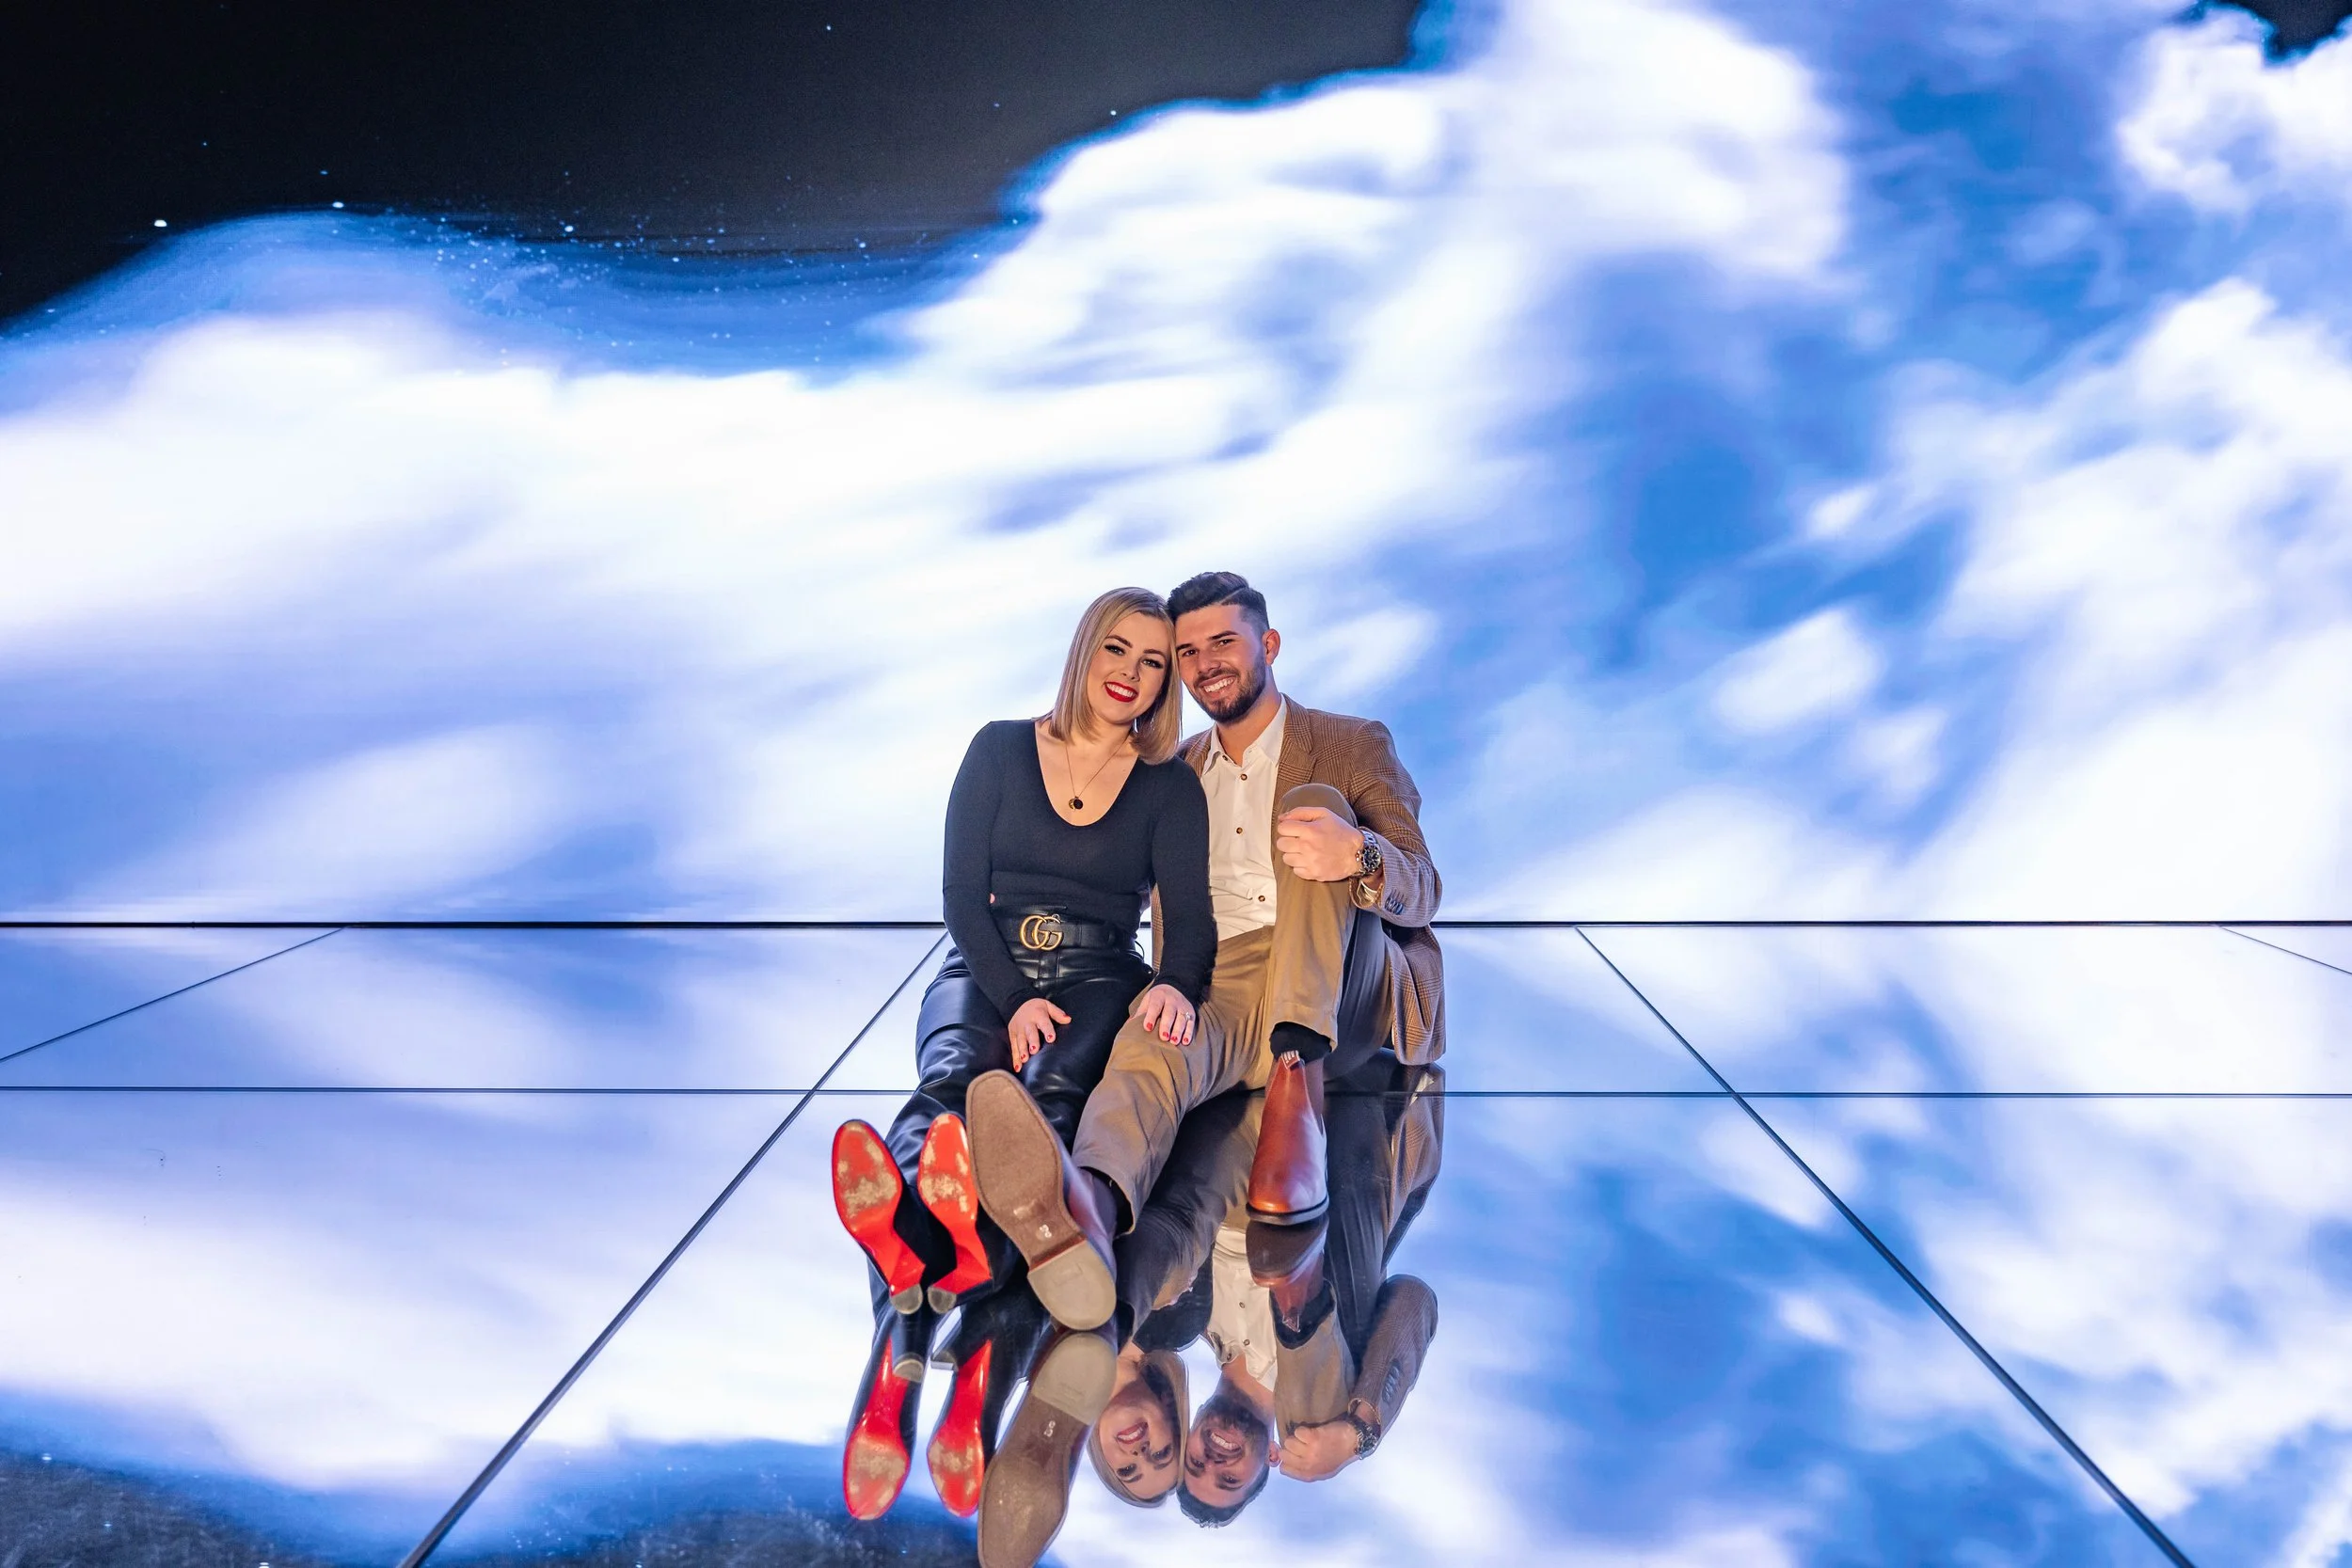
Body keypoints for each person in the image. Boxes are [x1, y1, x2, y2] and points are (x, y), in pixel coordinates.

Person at [964, 569, 1444, 1337]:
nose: (1206, 661)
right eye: (1188, 652)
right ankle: (1088, 1211)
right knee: (1150, 1037)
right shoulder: (1173, 772)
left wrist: (1357, 853)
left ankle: (1298, 1093)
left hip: (1338, 979)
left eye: (1225, 640)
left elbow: (1424, 887)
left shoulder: (1352, 742)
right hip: (1220, 973)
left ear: (1270, 644)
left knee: (1311, 809)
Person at [830, 585, 1216, 1522]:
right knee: (945, 1088)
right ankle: (956, 1317)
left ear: (1166, 682)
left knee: (1034, 1118)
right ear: (1084, 651)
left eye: (1154, 662)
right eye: (1117, 650)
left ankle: (912, 1305)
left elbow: (1192, 926)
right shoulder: (1000, 747)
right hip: (987, 961)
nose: (1131, 675)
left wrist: (1174, 981)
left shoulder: (1167, 785)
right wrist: (1011, 996)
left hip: (1095, 976)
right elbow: (961, 893)